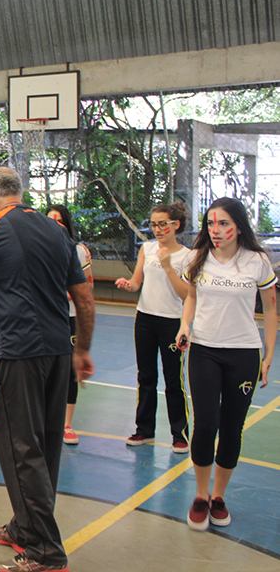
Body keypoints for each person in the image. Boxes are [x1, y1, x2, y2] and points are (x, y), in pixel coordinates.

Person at [0, 168, 95, 572]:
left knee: (20, 449)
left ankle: (45, 552)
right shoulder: (56, 231)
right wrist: (82, 349)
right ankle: (24, 526)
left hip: (17, 350)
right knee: (45, 447)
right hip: (58, 350)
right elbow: (84, 301)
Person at [176, 197, 276, 531]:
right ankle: (201, 495)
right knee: (205, 424)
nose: (215, 231)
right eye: (209, 224)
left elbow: (271, 310)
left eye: (223, 224)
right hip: (204, 350)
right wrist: (184, 326)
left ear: (238, 225)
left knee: (232, 427)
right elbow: (191, 296)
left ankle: (218, 496)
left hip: (243, 353)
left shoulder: (257, 261)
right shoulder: (197, 257)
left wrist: (269, 355)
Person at [115, 203, 190, 453]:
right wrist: (129, 284)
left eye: (163, 224)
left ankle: (179, 434)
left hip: (172, 322)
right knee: (145, 376)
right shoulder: (147, 249)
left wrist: (168, 267)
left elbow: (185, 295)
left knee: (173, 379)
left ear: (175, 225)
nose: (157, 229)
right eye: (154, 224)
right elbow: (138, 282)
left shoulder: (186, 256)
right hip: (144, 319)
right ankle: (144, 430)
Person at [46, 204, 94, 445]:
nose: (55, 223)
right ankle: (45, 420)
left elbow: (86, 287)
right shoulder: (37, 248)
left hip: (70, 317)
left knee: (70, 371)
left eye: (59, 219)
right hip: (46, 316)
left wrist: (58, 292)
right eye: (50, 219)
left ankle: (66, 424)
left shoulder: (78, 251)